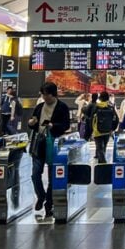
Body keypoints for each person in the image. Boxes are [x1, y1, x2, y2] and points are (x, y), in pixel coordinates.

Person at [26, 82, 71, 219]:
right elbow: (33, 123)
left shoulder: (62, 107)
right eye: (43, 94)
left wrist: (53, 126)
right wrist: (31, 123)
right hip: (39, 144)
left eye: (47, 94)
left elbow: (66, 125)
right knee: (35, 174)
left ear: (53, 94)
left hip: (54, 143)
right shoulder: (40, 107)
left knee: (53, 176)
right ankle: (41, 196)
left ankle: (49, 204)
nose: (44, 97)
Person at [89, 91, 119, 164]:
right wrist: (113, 129)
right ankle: (101, 162)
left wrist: (91, 130)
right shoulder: (111, 107)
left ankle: (102, 162)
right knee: (104, 146)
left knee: (99, 148)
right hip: (107, 130)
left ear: (100, 98)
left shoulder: (96, 106)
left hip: (97, 131)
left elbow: (91, 118)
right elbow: (117, 119)